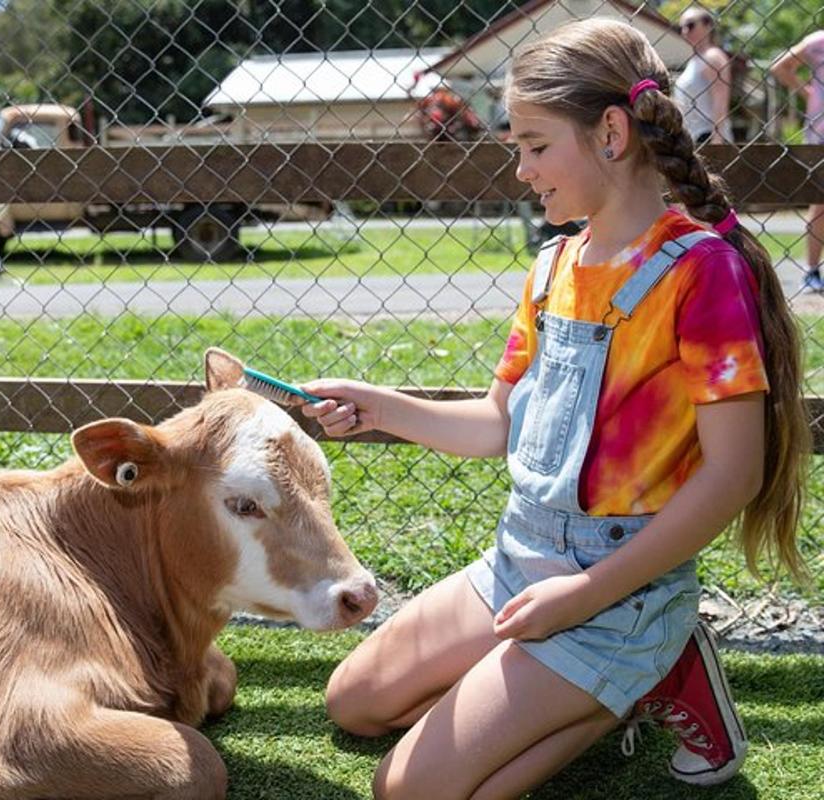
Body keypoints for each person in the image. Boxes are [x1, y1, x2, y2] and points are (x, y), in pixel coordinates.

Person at [299, 18, 809, 799]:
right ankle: (590, 687)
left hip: (620, 592)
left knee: (409, 790)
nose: (523, 172)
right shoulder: (554, 267)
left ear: (611, 133)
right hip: (521, 562)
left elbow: (733, 476)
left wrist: (583, 597)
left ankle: (646, 670)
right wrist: (381, 407)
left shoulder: (702, 275)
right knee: (355, 704)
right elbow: (497, 424)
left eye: (535, 146)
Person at [771, 30, 824, 292]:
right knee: (820, 202)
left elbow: (780, 67)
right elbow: (780, 67)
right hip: (820, 134)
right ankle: (811, 270)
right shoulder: (818, 42)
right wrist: (807, 91)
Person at [674, 6, 734, 144]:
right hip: (693, 137)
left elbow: (720, 99)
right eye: (681, 27)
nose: (685, 31)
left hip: (708, 136)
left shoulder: (712, 57)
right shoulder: (695, 59)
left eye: (690, 25)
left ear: (708, 26)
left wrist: (717, 140)